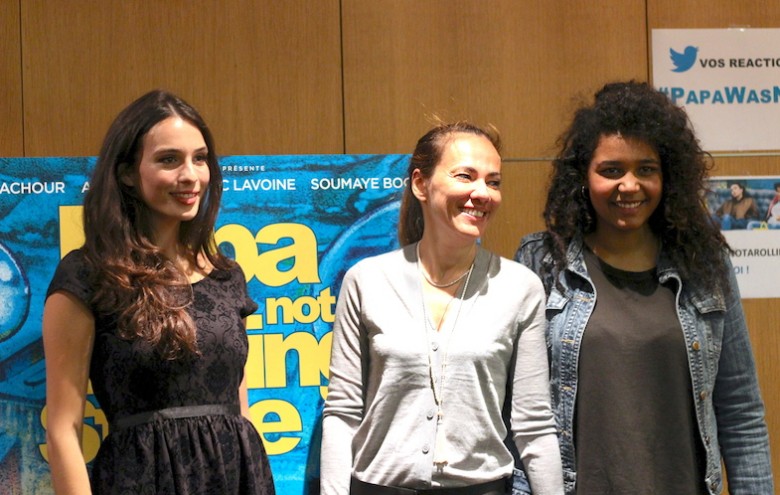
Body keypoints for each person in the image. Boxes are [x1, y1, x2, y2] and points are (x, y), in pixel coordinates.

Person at [515, 81, 774, 494]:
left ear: (668, 176)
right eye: (611, 170)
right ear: (583, 176)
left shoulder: (705, 265)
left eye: (646, 169)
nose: (629, 185)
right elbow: (521, 416)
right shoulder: (542, 263)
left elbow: (740, 411)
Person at [43, 90, 275, 494]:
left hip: (235, 476)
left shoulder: (226, 276)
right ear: (127, 173)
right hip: (143, 479)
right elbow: (64, 429)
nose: (191, 175)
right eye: (169, 159)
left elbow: (239, 409)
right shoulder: (88, 275)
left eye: (200, 158)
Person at [321, 121, 564, 495]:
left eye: (493, 182)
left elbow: (534, 427)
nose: (482, 193)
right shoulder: (366, 280)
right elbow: (343, 413)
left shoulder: (520, 288)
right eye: (465, 176)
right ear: (421, 184)